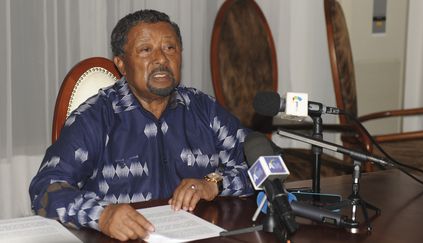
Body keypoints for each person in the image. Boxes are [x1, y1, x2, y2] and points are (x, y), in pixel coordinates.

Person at [29, 9, 254, 241]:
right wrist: (102, 216)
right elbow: (46, 189)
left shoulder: (203, 110)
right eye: (146, 50)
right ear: (122, 64)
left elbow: (266, 167)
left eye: (170, 48)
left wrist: (214, 184)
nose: (161, 59)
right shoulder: (95, 118)